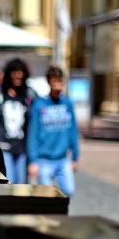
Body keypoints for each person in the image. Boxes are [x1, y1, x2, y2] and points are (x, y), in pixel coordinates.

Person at [27, 66, 79, 197]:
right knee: (46, 195)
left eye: (60, 81)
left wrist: (75, 157)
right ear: (49, 82)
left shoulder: (68, 104)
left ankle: (60, 215)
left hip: (62, 159)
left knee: (69, 190)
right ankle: (48, 216)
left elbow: (73, 131)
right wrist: (32, 161)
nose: (58, 85)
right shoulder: (39, 105)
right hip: (44, 160)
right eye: (54, 81)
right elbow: (33, 134)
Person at [0, 58, 38, 183]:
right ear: (9, 74)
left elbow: (36, 121)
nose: (18, 75)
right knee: (9, 181)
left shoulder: (30, 94)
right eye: (15, 72)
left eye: (21, 72)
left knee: (21, 184)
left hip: (23, 148)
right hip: (3, 146)